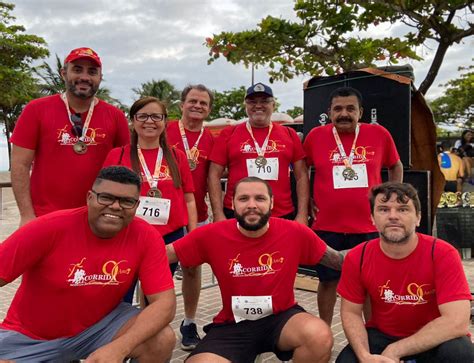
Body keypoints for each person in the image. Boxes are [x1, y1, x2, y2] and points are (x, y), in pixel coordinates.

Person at [0, 166, 176, 362]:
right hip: (29, 336)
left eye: (127, 201)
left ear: (136, 205)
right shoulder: (48, 228)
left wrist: (119, 348)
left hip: (99, 327)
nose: (116, 207)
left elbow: (164, 304)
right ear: (89, 197)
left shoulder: (146, 236)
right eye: (106, 197)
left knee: (161, 339)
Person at [166, 177, 346, 363]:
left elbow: (340, 260)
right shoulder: (212, 234)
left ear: (272, 203)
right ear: (233, 204)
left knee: (319, 336)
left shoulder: (294, 232)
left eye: (260, 198)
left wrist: (376, 248)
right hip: (233, 324)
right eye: (243, 199)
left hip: (281, 318)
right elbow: (163, 255)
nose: (252, 205)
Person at [336, 182, 473, 362]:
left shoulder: (442, 254)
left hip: (433, 338)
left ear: (418, 218)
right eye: (384, 209)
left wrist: (396, 350)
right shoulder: (357, 257)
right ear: (372, 218)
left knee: (461, 354)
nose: (393, 216)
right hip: (382, 335)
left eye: (403, 209)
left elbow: (457, 321)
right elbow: (351, 312)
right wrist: (365, 356)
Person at [303, 86, 403, 326]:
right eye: (338, 109)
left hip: (367, 227)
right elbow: (302, 169)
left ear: (361, 112)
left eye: (350, 108)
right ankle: (324, 331)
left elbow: (395, 166)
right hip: (327, 225)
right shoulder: (316, 136)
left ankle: (372, 333)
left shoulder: (379, 134)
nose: (344, 113)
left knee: (369, 285)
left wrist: (390, 199)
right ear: (329, 112)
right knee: (327, 282)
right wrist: (306, 200)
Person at [10, 47, 130, 226]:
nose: (85, 77)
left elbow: (126, 166)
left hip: (98, 217)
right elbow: (20, 165)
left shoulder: (115, 116)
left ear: (100, 77)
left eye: (92, 72)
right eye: (77, 69)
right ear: (63, 73)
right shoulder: (36, 110)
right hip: (46, 216)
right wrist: (26, 215)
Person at [103, 96, 197, 278]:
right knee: (123, 290)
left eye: (156, 116)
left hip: (170, 236)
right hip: (127, 233)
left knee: (157, 291)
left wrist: (192, 236)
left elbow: (189, 199)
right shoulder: (118, 155)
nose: (149, 122)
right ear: (133, 121)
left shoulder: (177, 157)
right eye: (142, 116)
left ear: (164, 121)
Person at [208, 82, 309, 225]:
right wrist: (218, 214)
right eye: (252, 102)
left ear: (273, 105)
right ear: (246, 105)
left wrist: (302, 214)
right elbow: (213, 175)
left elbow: (302, 176)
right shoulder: (229, 134)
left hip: (281, 213)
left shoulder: (289, 134)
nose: (258, 105)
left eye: (264, 101)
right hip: (238, 212)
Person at [166, 84, 215, 350]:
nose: (197, 106)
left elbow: (212, 178)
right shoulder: (165, 129)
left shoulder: (212, 138)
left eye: (203, 103)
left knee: (192, 270)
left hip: (199, 214)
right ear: (181, 104)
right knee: (159, 272)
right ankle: (154, 325)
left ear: (209, 109)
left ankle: (189, 321)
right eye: (192, 101)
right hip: (167, 217)